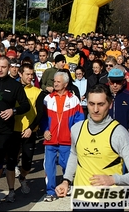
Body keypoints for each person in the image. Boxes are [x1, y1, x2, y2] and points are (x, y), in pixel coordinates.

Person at [55, 84, 129, 198]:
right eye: (91, 104)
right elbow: (75, 155)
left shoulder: (119, 133)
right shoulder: (77, 128)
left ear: (110, 104)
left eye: (101, 104)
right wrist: (66, 181)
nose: (95, 110)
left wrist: (112, 179)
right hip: (81, 199)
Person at [0, 56, 30, 204]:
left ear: (9, 67)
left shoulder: (15, 85)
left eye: (4, 67)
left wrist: (13, 111)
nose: (1, 69)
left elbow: (25, 106)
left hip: (6, 130)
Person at [42, 71, 84, 202]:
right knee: (49, 166)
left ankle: (68, 184)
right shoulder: (47, 99)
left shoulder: (74, 99)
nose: (55, 84)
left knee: (67, 165)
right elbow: (42, 118)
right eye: (54, 81)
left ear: (65, 84)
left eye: (58, 82)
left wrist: (74, 134)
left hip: (67, 140)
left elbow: (80, 119)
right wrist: (45, 130)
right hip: (50, 140)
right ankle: (50, 191)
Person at [7, 63, 44, 200]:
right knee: (11, 161)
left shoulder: (37, 92)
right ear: (20, 74)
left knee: (27, 163)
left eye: (32, 74)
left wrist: (31, 128)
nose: (30, 77)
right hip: (13, 131)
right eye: (27, 74)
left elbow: (40, 113)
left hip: (29, 131)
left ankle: (22, 178)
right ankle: (11, 190)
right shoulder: (12, 89)